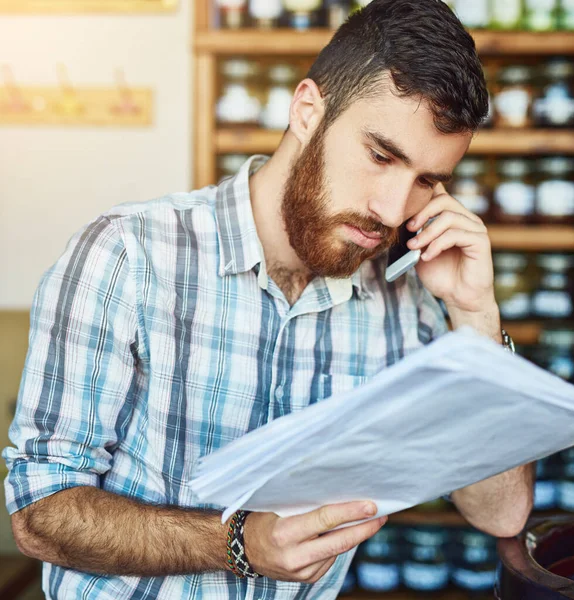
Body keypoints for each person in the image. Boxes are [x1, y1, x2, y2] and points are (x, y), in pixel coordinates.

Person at [3, 0, 534, 598]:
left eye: (426, 181)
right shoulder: (126, 256)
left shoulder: (408, 296)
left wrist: (476, 317)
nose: (391, 209)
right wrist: (235, 542)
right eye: (381, 156)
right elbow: (40, 513)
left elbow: (502, 514)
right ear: (308, 110)